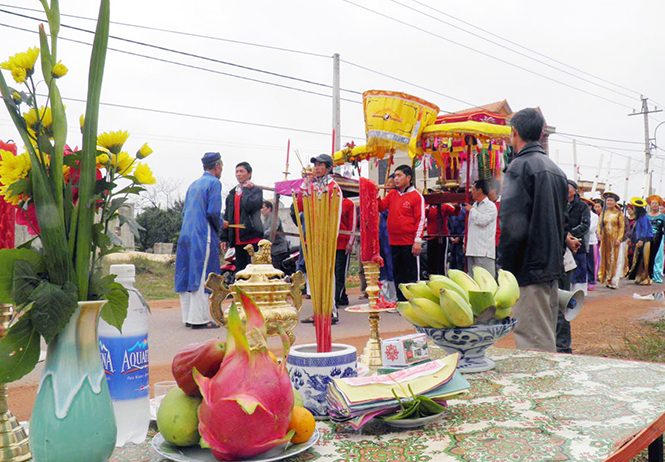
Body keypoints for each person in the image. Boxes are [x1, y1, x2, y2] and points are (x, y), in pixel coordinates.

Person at [498, 108, 568, 353]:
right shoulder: (557, 171)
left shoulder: (518, 168)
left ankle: (545, 390)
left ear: (514, 132)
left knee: (533, 344)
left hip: (528, 269)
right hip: (549, 268)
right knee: (545, 335)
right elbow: (562, 223)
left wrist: (503, 270)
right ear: (540, 134)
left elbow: (511, 226)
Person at [174, 152, 225, 329]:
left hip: (186, 233)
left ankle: (188, 317)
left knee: (186, 273)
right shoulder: (214, 183)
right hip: (202, 234)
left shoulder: (193, 184)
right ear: (217, 166)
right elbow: (213, 212)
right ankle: (199, 319)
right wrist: (222, 223)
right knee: (203, 274)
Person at [298, 154, 342, 324]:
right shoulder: (313, 187)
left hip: (327, 236)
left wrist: (331, 236)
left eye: (320, 165)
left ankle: (330, 311)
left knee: (327, 274)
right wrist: (305, 186)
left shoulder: (334, 188)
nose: (316, 167)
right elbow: (301, 207)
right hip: (313, 235)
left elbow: (336, 215)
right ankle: (318, 311)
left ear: (329, 167)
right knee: (315, 275)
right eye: (315, 165)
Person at [379, 164, 425, 301]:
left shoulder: (417, 196)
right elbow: (381, 207)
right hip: (393, 241)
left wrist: (417, 241)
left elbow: (421, 219)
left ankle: (413, 302)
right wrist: (373, 193)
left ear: (408, 178)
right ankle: (401, 302)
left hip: (409, 242)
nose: (396, 179)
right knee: (397, 273)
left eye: (399, 175)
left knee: (410, 274)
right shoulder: (392, 194)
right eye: (395, 176)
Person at [556, 180, 589, 354]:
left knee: (563, 302)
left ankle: (562, 346)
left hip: (568, 255)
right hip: (555, 257)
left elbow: (584, 225)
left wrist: (570, 236)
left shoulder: (581, 206)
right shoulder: (558, 204)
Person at [221, 162, 263, 273]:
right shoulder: (231, 194)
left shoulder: (256, 190)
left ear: (249, 174)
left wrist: (247, 190)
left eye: (242, 171)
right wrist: (224, 238)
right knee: (240, 273)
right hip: (238, 240)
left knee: (253, 272)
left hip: (252, 238)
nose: (238, 174)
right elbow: (227, 217)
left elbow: (250, 206)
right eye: (237, 172)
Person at [464, 179, 497, 277]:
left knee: (485, 279)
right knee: (472, 279)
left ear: (480, 190)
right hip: (472, 249)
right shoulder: (474, 205)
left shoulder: (490, 206)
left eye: (473, 189)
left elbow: (482, 221)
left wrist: (472, 211)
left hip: (483, 251)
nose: (472, 192)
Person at [597, 192, 625, 289]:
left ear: (615, 202)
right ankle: (607, 279)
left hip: (615, 238)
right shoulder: (603, 213)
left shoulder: (619, 213)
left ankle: (614, 280)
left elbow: (622, 227)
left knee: (615, 259)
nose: (609, 202)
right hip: (605, 239)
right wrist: (599, 233)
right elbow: (600, 225)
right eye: (607, 200)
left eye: (611, 200)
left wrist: (619, 238)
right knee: (606, 258)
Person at [425, 200, 459, 276]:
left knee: (441, 261)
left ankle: (442, 279)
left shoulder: (445, 206)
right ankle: (432, 279)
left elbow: (455, 212)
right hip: (431, 237)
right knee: (431, 261)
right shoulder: (428, 207)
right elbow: (422, 215)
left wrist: (457, 206)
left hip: (442, 237)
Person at [335, 192, 357, 307]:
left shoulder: (348, 204)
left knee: (340, 272)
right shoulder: (329, 203)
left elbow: (352, 224)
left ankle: (336, 298)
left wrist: (350, 242)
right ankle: (342, 296)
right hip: (330, 244)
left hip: (343, 244)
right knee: (332, 272)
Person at [625, 197, 653, 285]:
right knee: (638, 259)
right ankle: (639, 277)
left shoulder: (644, 217)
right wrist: (629, 237)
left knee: (645, 260)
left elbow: (645, 229)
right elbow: (634, 228)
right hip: (639, 240)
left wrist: (641, 240)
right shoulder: (639, 217)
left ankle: (646, 278)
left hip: (645, 240)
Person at [379, 174, 396, 301]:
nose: (388, 185)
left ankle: (393, 297)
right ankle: (384, 296)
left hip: (391, 237)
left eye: (391, 183)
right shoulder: (388, 197)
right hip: (383, 236)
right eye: (388, 183)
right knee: (383, 265)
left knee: (391, 265)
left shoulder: (396, 197)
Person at [260, 200, 289, 271]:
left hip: (279, 249)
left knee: (276, 270)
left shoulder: (274, 217)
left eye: (263, 208)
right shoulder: (265, 220)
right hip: (272, 249)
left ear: (269, 208)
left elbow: (273, 228)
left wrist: (263, 235)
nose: (261, 210)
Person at [646, 195, 665, 283]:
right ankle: (647, 275)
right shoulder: (646, 216)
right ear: (650, 205)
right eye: (652, 203)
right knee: (647, 256)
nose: (654, 205)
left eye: (656, 203)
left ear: (659, 205)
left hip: (659, 238)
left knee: (658, 257)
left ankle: (657, 275)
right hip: (647, 239)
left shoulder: (662, 216)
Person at [585, 198, 600, 291]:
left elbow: (590, 229)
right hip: (581, 241)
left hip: (591, 241)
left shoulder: (594, 216)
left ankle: (591, 281)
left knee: (591, 263)